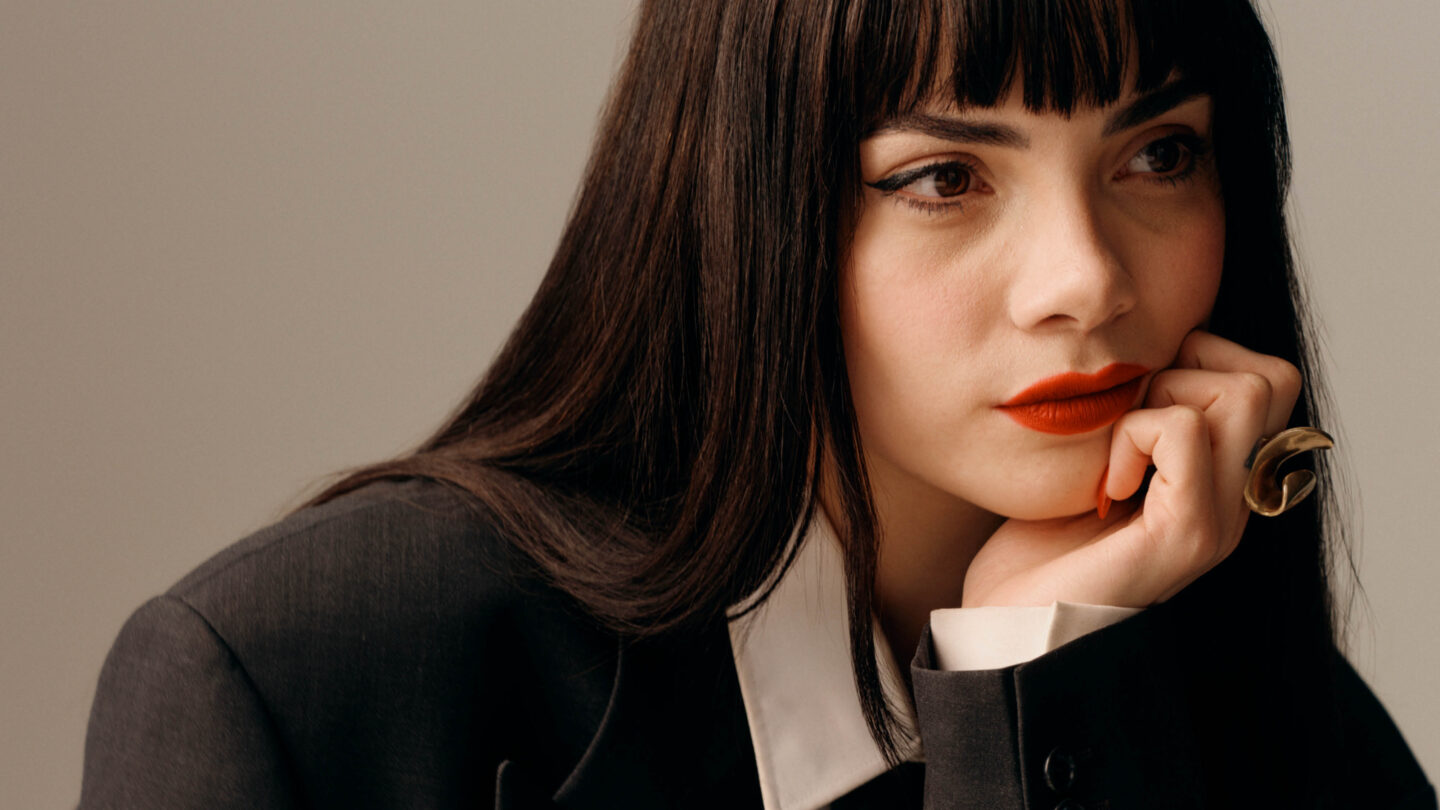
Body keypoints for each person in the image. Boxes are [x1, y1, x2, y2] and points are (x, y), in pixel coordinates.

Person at [78, 0, 1435, 808]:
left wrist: (1034, 680)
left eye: (1157, 151)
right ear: (748, 201)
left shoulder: (1274, 724)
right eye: (946, 178)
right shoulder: (298, 687)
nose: (1085, 279)